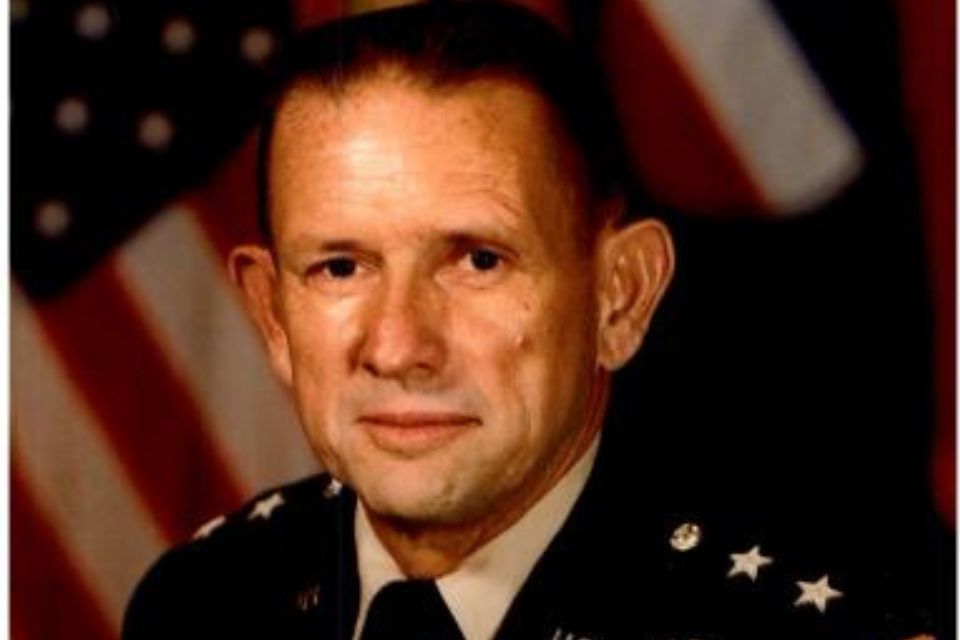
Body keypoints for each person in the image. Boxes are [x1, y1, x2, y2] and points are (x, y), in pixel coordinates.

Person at [122, 3, 940, 639]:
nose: (400, 346)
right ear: (271, 312)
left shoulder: (805, 622)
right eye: (341, 267)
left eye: (479, 260)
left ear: (619, 296)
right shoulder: (204, 605)